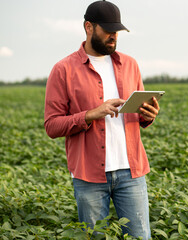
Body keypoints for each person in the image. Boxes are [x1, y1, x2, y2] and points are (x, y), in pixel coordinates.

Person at [44, 1, 159, 239]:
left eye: (116, 31)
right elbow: (52, 125)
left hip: (132, 172)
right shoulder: (63, 70)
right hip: (89, 176)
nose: (113, 36)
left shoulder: (130, 65)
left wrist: (147, 116)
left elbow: (138, 115)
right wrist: (91, 114)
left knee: (141, 236)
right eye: (107, 30)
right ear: (88, 27)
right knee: (95, 236)